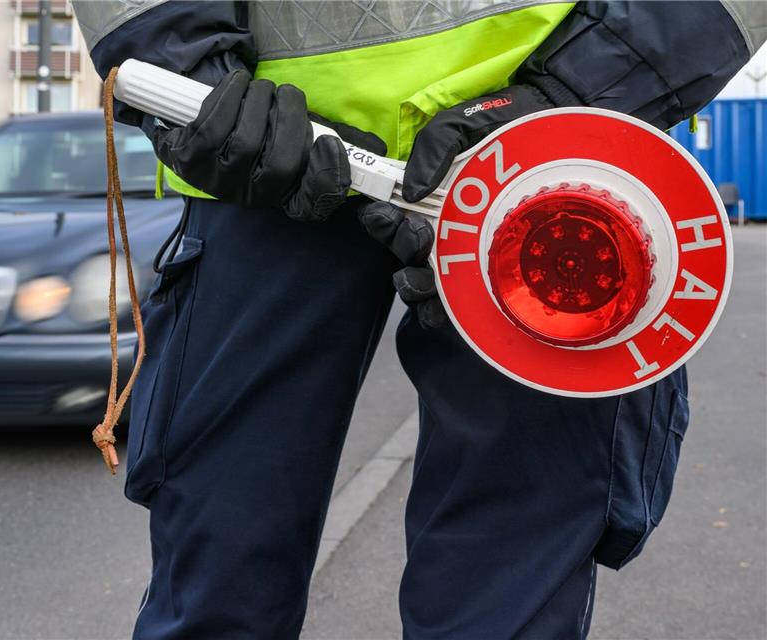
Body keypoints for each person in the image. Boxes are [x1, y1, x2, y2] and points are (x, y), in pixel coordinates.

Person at [72, 1, 766, 637]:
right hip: (270, 149)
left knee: (503, 598)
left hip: (542, 167)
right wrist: (198, 78)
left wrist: (576, 91)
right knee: (220, 582)